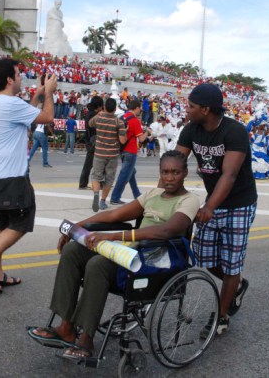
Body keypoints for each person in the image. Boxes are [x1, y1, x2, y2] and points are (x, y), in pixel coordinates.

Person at [28, 150, 200, 359]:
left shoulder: (189, 200)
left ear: (185, 173)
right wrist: (77, 227)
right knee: (73, 250)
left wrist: (116, 237)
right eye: (165, 172)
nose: (169, 177)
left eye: (175, 172)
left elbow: (168, 230)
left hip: (155, 259)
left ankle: (86, 339)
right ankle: (66, 327)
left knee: (98, 264)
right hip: (131, 253)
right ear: (160, 173)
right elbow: (115, 214)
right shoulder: (152, 195)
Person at [0, 58, 57, 293]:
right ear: (9, 79)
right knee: (22, 220)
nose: (21, 77)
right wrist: (49, 93)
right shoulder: (10, 104)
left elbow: (24, 112)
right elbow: (47, 117)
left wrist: (38, 93)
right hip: (12, 177)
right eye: (18, 74)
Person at [176, 83, 257, 338]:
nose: (186, 109)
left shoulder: (234, 131)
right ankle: (238, 285)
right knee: (204, 257)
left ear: (206, 109)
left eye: (191, 105)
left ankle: (221, 316)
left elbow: (230, 175)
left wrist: (209, 206)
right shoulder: (191, 130)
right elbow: (175, 164)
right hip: (215, 201)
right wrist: (163, 196)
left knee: (231, 264)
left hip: (239, 204)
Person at [89, 98, 126, 212]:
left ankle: (96, 194)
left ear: (104, 107)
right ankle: (103, 201)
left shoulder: (99, 118)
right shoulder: (118, 122)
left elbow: (90, 123)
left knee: (96, 176)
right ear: (115, 109)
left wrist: (99, 114)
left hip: (99, 152)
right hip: (112, 154)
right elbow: (123, 140)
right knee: (109, 179)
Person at [110, 100, 150, 205]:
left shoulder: (122, 117)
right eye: (140, 108)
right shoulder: (135, 120)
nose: (140, 110)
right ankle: (115, 197)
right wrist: (146, 132)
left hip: (122, 149)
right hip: (130, 150)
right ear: (136, 107)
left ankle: (137, 194)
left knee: (131, 172)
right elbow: (141, 139)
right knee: (124, 175)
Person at [78, 96, 104, 189]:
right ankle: (84, 184)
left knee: (91, 164)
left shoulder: (89, 113)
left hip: (90, 141)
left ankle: (85, 183)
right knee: (96, 164)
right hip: (93, 142)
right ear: (99, 106)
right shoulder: (94, 115)